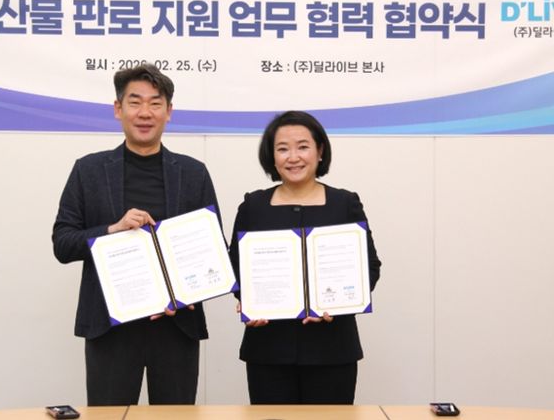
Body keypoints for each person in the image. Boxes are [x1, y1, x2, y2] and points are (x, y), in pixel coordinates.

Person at [52, 64, 220, 405]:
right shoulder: (88, 170)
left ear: (169, 112)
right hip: (110, 326)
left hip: (176, 325)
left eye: (155, 103)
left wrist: (189, 291)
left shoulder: (193, 173)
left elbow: (213, 250)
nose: (145, 113)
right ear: (118, 109)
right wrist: (111, 231)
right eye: (135, 102)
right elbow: (63, 243)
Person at [229, 110, 382, 405]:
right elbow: (235, 267)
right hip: (268, 350)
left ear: (320, 151)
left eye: (302, 147)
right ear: (272, 156)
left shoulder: (344, 204)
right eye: (282, 149)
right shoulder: (253, 206)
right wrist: (247, 299)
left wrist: (341, 303)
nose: (293, 157)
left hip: (332, 349)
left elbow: (370, 266)